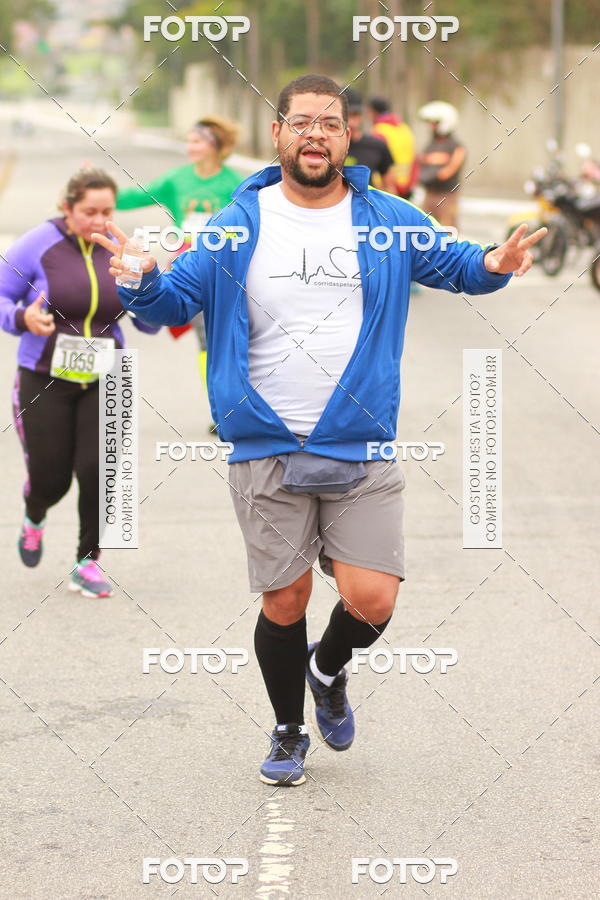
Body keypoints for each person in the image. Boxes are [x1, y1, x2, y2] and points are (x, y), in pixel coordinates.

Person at [92, 74, 546, 786]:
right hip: (265, 437)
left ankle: (327, 668)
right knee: (287, 598)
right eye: (301, 122)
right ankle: (287, 729)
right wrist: (141, 281)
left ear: (345, 137)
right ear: (278, 133)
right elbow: (176, 298)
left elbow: (455, 263)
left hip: (359, 437)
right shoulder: (237, 223)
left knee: (373, 599)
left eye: (328, 124)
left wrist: (494, 264)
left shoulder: (386, 218)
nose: (314, 135)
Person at [0, 168, 160, 597]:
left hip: (108, 375)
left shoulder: (121, 249)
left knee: (100, 473)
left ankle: (86, 562)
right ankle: (35, 514)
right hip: (44, 376)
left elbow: (149, 323)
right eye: (89, 211)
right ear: (67, 208)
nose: (99, 220)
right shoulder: (38, 243)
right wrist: (21, 318)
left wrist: (145, 281)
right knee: (51, 478)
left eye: (107, 211)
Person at [116, 116, 244, 407]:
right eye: (188, 141)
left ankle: (237, 400)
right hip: (189, 268)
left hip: (227, 268)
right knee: (205, 339)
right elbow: (137, 196)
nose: (190, 147)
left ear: (215, 146)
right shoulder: (177, 179)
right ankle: (218, 407)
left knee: (230, 338)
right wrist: (100, 192)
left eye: (197, 141)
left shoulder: (235, 183)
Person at [418, 101, 466, 229]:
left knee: (448, 233)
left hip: (447, 197)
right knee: (423, 230)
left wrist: (431, 169)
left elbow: (447, 172)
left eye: (435, 123)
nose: (431, 126)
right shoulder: (430, 145)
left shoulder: (456, 147)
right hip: (429, 195)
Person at [344, 89, 396, 193]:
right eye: (346, 115)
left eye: (355, 114)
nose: (352, 123)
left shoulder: (377, 145)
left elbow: (389, 187)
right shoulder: (326, 147)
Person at [367, 96, 419, 200]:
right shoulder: (404, 128)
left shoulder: (378, 132)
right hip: (406, 187)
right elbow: (415, 158)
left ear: (372, 111)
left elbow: (376, 162)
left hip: (387, 189)